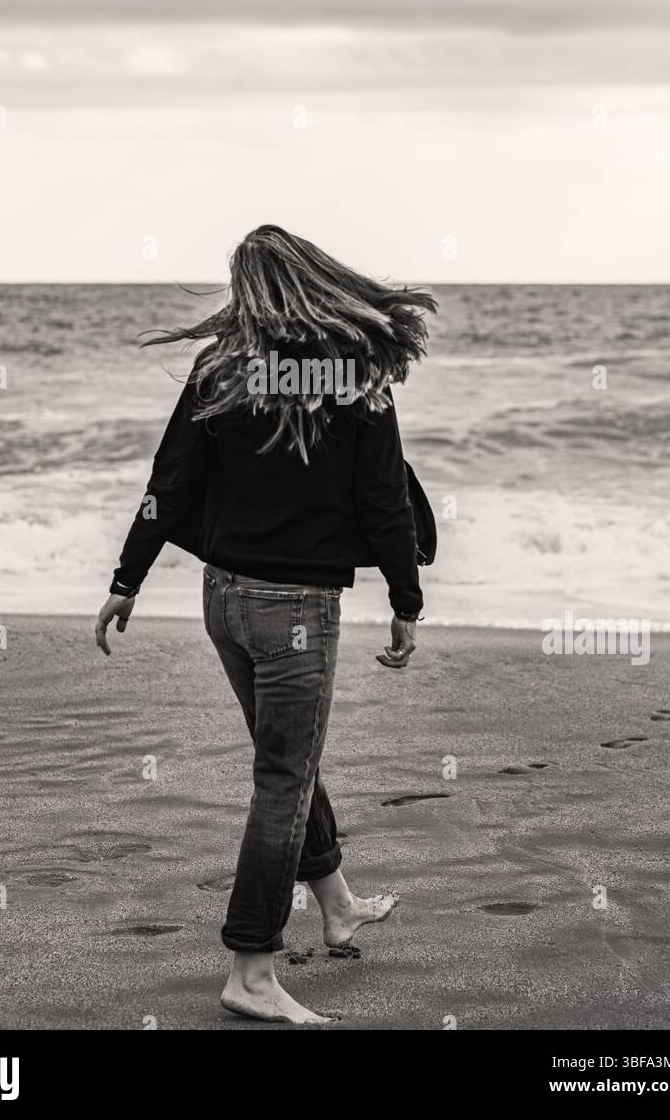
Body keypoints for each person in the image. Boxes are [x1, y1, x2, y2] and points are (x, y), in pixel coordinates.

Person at [95, 225, 436, 1024]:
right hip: (295, 613)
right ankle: (250, 970)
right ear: (320, 280)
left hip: (225, 601)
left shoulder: (221, 372)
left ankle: (340, 905)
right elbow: (385, 501)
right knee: (282, 778)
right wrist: (406, 602)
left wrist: (127, 578)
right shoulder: (356, 381)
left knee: (289, 761)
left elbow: (168, 481)